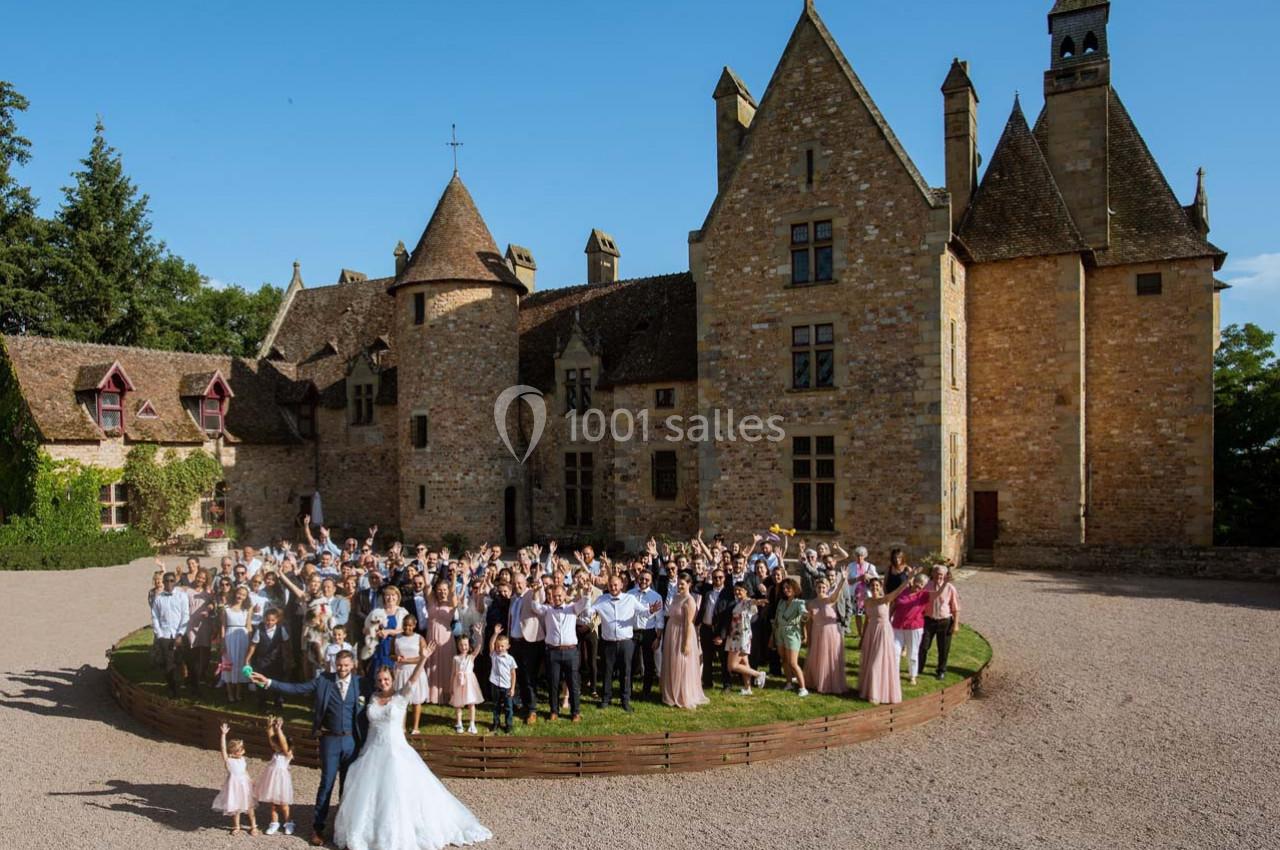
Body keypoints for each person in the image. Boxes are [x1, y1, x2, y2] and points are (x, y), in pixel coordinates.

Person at [331, 655, 492, 850]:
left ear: (392, 679)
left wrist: (423, 659)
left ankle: (395, 832)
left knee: (396, 791)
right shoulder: (373, 698)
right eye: (380, 680)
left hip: (395, 752)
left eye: (386, 679)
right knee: (369, 793)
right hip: (372, 750)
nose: (383, 682)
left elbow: (414, 679)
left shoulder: (400, 697)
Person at [250, 650, 368, 846]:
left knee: (348, 787)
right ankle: (318, 828)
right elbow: (297, 689)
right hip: (330, 739)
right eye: (339, 665)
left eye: (346, 665)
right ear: (334, 664)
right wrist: (269, 682)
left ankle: (343, 829)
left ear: (353, 665)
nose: (342, 668)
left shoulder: (361, 683)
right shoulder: (323, 680)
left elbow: (383, 692)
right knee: (326, 785)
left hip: (352, 741)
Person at [590, 574, 661, 712]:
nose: (613, 587)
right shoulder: (601, 600)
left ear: (621, 585)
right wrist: (587, 599)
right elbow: (589, 612)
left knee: (626, 672)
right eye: (611, 585)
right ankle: (606, 699)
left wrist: (651, 610)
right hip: (608, 642)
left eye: (616, 585)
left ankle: (625, 700)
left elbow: (643, 612)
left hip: (626, 642)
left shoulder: (630, 598)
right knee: (607, 672)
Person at [529, 578, 590, 722]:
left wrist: (586, 591)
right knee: (553, 684)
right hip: (553, 652)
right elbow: (535, 606)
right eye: (554, 596)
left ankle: (575, 713)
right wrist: (536, 592)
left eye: (559, 596)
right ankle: (554, 711)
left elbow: (584, 603)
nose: (556, 598)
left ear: (564, 596)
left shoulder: (572, 608)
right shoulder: (548, 610)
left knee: (573, 684)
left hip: (571, 652)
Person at [858, 576, 911, 705]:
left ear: (880, 587)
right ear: (869, 587)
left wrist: (910, 578)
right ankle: (870, 691)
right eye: (872, 586)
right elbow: (867, 620)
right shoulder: (867, 601)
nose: (874, 588)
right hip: (871, 632)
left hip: (883, 632)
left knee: (876, 663)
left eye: (877, 586)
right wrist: (863, 636)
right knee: (869, 661)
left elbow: (898, 590)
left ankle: (876, 695)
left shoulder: (886, 599)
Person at [661, 572, 709, 709]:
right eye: (678, 583)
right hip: (672, 633)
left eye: (682, 584)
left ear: (689, 584)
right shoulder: (676, 597)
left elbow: (689, 623)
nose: (679, 586)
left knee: (681, 663)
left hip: (683, 633)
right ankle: (671, 692)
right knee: (672, 662)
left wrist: (687, 643)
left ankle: (683, 694)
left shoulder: (690, 601)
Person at [803, 573, 848, 694]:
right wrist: (807, 635)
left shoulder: (830, 600)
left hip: (831, 633)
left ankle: (830, 683)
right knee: (817, 657)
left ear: (827, 588)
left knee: (830, 658)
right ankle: (817, 682)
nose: (821, 589)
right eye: (819, 587)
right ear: (815, 588)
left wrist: (842, 581)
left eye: (823, 587)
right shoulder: (810, 604)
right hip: (817, 632)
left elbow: (836, 595)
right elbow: (808, 622)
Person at [212, 722, 258, 836]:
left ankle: (253, 826)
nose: (243, 751)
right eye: (240, 749)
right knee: (236, 807)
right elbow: (223, 748)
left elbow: (244, 771)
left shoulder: (242, 759)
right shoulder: (229, 761)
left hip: (244, 785)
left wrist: (250, 780)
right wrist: (223, 735)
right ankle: (237, 826)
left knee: (249, 807)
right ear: (234, 751)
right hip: (234, 787)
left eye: (242, 749)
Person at [254, 716, 295, 836]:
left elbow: (282, 743)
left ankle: (288, 822)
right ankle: (274, 823)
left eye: (277, 744)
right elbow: (272, 739)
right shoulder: (276, 753)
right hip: (272, 783)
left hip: (282, 783)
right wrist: (269, 727)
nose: (273, 746)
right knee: (273, 805)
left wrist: (279, 730)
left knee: (284, 805)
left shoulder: (288, 753)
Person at [918, 565, 961, 680]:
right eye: (936, 573)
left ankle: (941, 671)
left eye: (941, 574)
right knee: (923, 646)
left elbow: (955, 608)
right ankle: (919, 668)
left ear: (945, 575)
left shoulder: (950, 588)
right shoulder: (927, 586)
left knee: (943, 648)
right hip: (928, 620)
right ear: (932, 573)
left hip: (944, 621)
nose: (939, 576)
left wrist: (956, 624)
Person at [696, 567, 735, 690]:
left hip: (719, 631)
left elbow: (728, 617)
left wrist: (722, 636)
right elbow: (694, 587)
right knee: (707, 658)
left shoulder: (728, 594)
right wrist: (702, 577)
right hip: (706, 628)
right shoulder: (707, 590)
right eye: (715, 577)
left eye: (720, 577)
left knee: (724, 659)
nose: (717, 580)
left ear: (724, 579)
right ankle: (707, 683)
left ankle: (727, 684)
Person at [725, 581, 767, 695]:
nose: (737, 592)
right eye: (736, 590)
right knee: (744, 663)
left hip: (741, 637)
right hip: (734, 636)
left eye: (740, 590)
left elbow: (753, 602)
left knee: (732, 666)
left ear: (746, 591)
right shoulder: (739, 603)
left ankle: (758, 674)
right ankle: (748, 688)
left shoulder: (747, 602)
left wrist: (760, 601)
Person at [150, 572, 188, 698]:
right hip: (165, 635)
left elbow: (185, 615)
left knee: (181, 661)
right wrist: (160, 635)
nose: (169, 583)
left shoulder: (182, 596)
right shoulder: (158, 598)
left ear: (175, 581)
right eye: (166, 581)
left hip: (179, 634)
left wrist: (180, 634)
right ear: (164, 582)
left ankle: (183, 685)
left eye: (172, 580)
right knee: (168, 664)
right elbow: (155, 617)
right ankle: (172, 688)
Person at [628, 569, 665, 698]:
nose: (643, 581)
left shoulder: (656, 596)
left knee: (649, 664)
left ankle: (646, 691)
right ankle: (628, 690)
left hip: (649, 632)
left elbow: (659, 620)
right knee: (630, 662)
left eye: (647, 579)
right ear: (638, 579)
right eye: (641, 578)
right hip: (632, 632)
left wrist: (658, 637)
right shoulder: (629, 594)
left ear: (650, 581)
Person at [392, 614, 431, 735]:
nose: (407, 628)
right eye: (405, 625)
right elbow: (390, 654)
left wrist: (407, 660)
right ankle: (402, 726)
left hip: (416, 671)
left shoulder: (420, 638)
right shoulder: (396, 638)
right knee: (401, 700)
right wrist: (396, 657)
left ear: (414, 625)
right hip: (401, 672)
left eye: (409, 625)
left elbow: (423, 657)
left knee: (416, 700)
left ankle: (415, 727)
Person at [245, 607, 290, 710]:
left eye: (272, 620)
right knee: (261, 683)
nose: (270, 622)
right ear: (264, 619)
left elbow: (286, 644)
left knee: (277, 681)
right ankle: (262, 703)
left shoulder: (281, 629)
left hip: (277, 660)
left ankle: (278, 702)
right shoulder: (259, 630)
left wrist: (287, 658)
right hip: (262, 660)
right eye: (268, 620)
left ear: (277, 620)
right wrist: (247, 659)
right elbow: (253, 645)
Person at [771, 576, 809, 697]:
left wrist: (806, 615)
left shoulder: (799, 603)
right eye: (784, 588)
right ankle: (789, 683)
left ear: (794, 588)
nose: (786, 590)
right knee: (784, 660)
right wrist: (772, 636)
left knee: (793, 662)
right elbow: (776, 620)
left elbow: (804, 614)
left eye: (788, 588)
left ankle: (803, 688)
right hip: (779, 633)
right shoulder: (781, 602)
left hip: (792, 634)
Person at [891, 573, 930, 685]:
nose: (919, 585)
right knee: (895, 651)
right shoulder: (903, 591)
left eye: (922, 584)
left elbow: (937, 593)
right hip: (897, 626)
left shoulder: (924, 595)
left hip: (914, 627)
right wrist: (888, 618)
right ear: (914, 581)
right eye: (918, 582)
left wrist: (945, 583)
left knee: (912, 653)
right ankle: (894, 674)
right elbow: (894, 606)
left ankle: (913, 675)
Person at [423, 579, 457, 706]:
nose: (442, 592)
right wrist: (424, 564)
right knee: (431, 663)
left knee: (446, 665)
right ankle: (432, 695)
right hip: (431, 636)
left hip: (445, 638)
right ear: (436, 591)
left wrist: (455, 576)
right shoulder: (432, 601)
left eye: (444, 590)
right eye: (439, 590)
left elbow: (453, 593)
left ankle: (447, 695)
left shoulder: (452, 602)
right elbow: (427, 585)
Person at [182, 569, 215, 696]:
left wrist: (208, 609)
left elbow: (213, 604)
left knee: (205, 650)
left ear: (206, 580)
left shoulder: (209, 593)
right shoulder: (187, 590)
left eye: (203, 578)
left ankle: (202, 674)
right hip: (190, 623)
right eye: (199, 577)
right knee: (192, 651)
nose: (200, 580)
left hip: (204, 624)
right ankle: (192, 676)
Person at [219, 584, 253, 703]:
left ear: (246, 597)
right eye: (239, 593)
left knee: (239, 663)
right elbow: (223, 626)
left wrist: (250, 643)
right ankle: (229, 693)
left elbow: (248, 626)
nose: (240, 596)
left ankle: (238, 692)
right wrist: (222, 642)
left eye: (243, 595)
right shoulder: (226, 608)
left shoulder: (247, 609)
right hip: (229, 636)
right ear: (235, 593)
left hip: (242, 637)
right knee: (228, 664)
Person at [450, 634, 484, 734]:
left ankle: (472, 724)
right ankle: (459, 723)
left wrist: (479, 635)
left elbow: (478, 646)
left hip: (469, 683)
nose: (463, 647)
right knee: (458, 704)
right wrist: (451, 686)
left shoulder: (471, 657)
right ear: (458, 646)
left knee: (471, 703)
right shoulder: (456, 658)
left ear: (468, 645)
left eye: (465, 645)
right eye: (461, 645)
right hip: (458, 683)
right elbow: (453, 673)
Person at [488, 626, 518, 733]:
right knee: (496, 705)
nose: (499, 648)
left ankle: (508, 724)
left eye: (502, 646)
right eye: (498, 646)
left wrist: (513, 688)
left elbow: (513, 674)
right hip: (495, 684)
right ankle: (496, 722)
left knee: (508, 706)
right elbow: (491, 644)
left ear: (507, 646)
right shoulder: (494, 655)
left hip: (507, 686)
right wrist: (495, 634)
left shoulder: (510, 659)